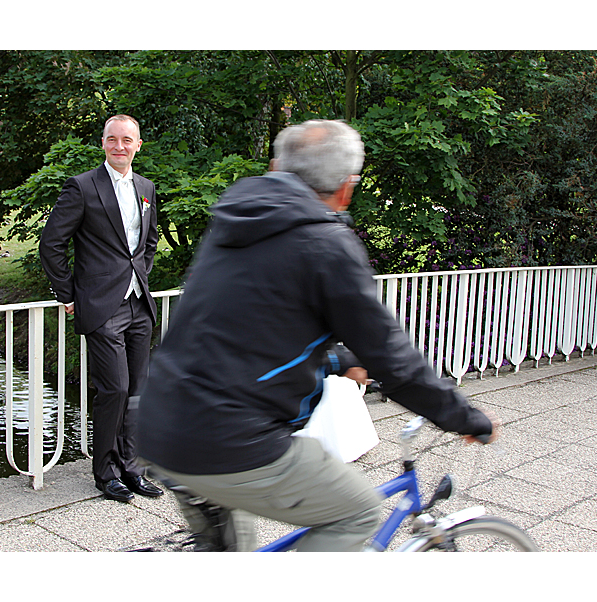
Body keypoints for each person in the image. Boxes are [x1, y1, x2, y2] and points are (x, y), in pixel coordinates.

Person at [136, 119, 495, 551]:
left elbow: (247, 331)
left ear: (275, 168)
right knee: (357, 511)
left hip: (159, 418)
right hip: (231, 438)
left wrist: (340, 360)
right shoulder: (325, 244)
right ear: (347, 187)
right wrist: (464, 417)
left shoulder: (236, 220)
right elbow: (393, 359)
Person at [39, 114, 163, 502]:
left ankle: (132, 468)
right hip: (101, 305)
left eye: (127, 140)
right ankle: (105, 472)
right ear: (103, 143)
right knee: (115, 389)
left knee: (139, 391)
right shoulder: (82, 187)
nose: (120, 146)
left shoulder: (146, 188)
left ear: (138, 145)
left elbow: (150, 241)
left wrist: (139, 273)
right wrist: (68, 293)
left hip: (139, 303)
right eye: (113, 139)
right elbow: (51, 244)